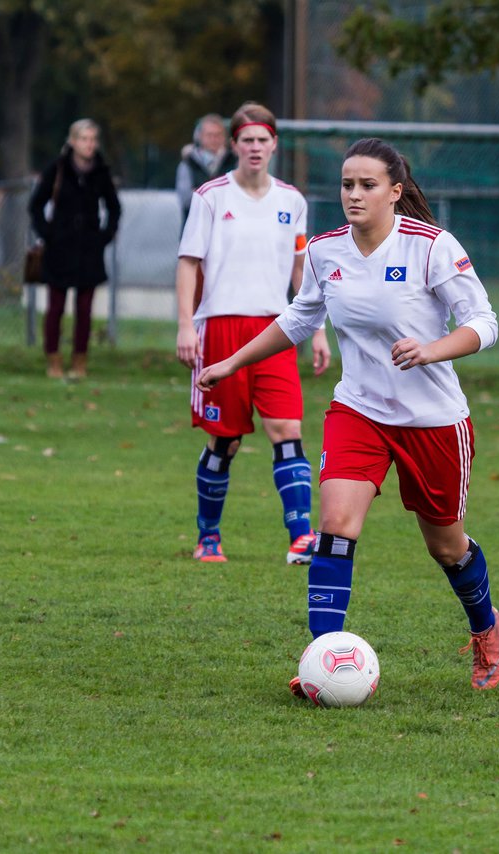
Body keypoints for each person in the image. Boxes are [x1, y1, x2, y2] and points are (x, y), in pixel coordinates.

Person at [195, 137, 499, 693]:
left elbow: (484, 322)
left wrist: (432, 349)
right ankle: (318, 662)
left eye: (367, 185)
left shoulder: (431, 247)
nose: (354, 195)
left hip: (433, 419)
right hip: (357, 410)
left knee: (446, 546)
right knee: (335, 527)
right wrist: (233, 362)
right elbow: (296, 320)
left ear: (395, 191)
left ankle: (485, 627)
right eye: (346, 185)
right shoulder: (325, 251)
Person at [174, 102, 331, 567]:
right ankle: (208, 537)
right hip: (220, 326)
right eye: (247, 140)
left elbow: (303, 271)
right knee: (226, 440)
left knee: (288, 429)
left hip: (276, 329)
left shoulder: (292, 201)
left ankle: (301, 538)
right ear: (235, 146)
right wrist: (186, 324)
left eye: (263, 140)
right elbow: (188, 263)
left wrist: (317, 330)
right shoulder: (210, 197)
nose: (256, 148)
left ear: (274, 144)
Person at [28, 119, 121, 379]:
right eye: (84, 139)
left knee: (85, 309)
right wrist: (48, 234)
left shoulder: (101, 172)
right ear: (72, 141)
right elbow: (36, 205)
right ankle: (53, 359)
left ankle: (80, 361)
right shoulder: (56, 169)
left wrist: (105, 235)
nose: (89, 144)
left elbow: (114, 207)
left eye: (93, 139)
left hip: (89, 250)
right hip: (59, 249)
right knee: (55, 307)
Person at [175, 114, 238, 229]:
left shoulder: (235, 162)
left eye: (218, 135)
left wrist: (200, 192)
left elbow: (239, 197)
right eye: (209, 135)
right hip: (194, 229)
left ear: (224, 137)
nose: (214, 139)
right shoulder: (188, 164)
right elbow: (186, 200)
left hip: (227, 231)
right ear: (199, 137)